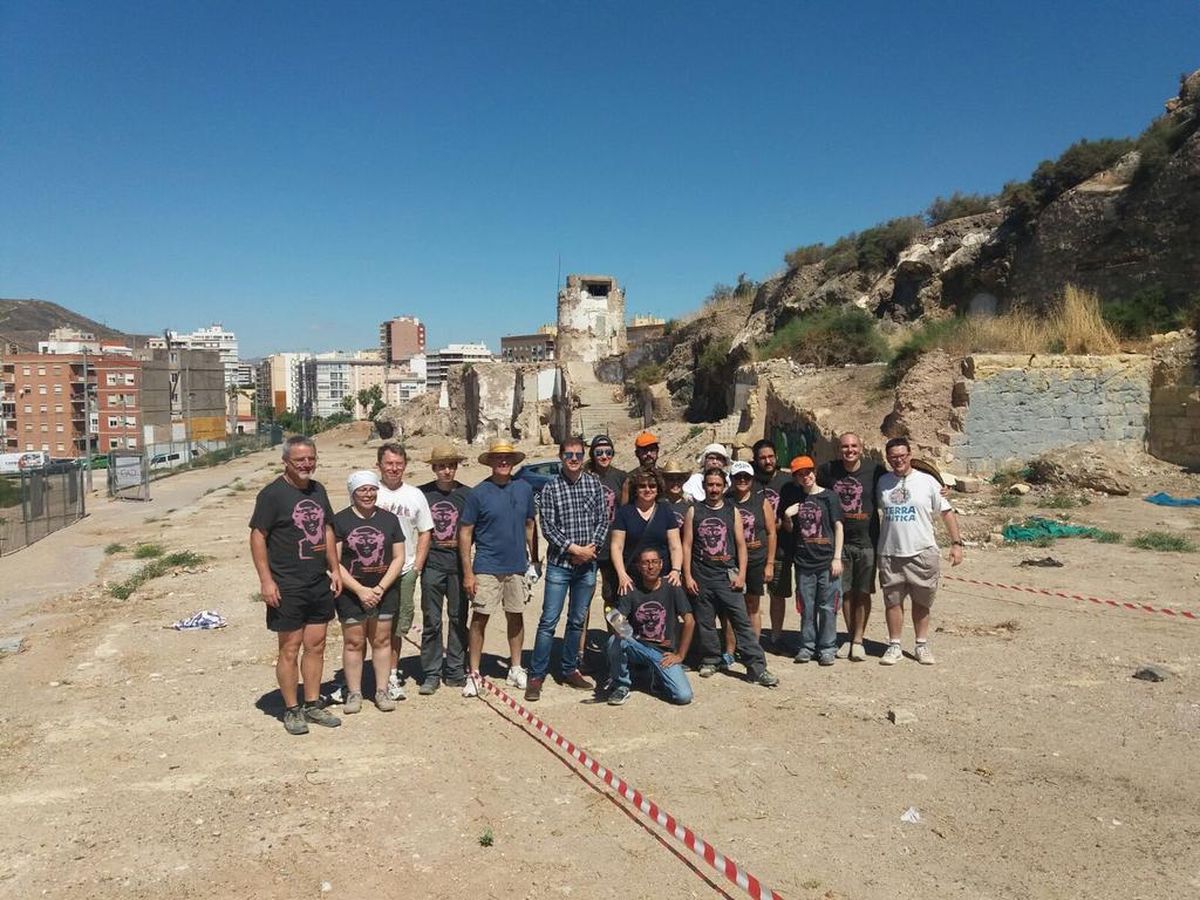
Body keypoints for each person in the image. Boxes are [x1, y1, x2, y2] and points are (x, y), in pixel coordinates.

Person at [248, 435, 343, 735]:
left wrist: (335, 568)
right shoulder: (272, 495)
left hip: (317, 581)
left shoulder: (318, 490)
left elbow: (327, 529)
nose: (306, 464)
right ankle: (292, 709)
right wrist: (266, 580)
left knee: (316, 645)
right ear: (286, 462)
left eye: (310, 458)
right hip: (287, 583)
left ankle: (312, 703)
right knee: (290, 648)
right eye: (299, 460)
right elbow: (258, 536)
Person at [527, 437, 609, 701]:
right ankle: (536, 674)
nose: (573, 459)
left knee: (577, 620)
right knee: (549, 620)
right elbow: (548, 527)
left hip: (587, 565)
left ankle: (569, 668)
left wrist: (590, 550)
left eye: (577, 455)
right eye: (568, 455)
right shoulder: (551, 488)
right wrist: (575, 550)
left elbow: (603, 520)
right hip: (561, 565)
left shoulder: (593, 484)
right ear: (560, 456)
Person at [681, 467, 779, 687]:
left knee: (741, 622)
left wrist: (742, 573)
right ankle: (711, 659)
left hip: (727, 574)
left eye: (717, 485)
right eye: (710, 485)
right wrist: (687, 575)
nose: (714, 489)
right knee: (705, 621)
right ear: (704, 486)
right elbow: (686, 546)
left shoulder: (732, 511)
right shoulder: (694, 511)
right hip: (702, 573)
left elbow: (741, 545)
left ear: (724, 486)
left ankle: (757, 667)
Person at [459, 438, 538, 696]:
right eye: (498, 458)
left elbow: (529, 525)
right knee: (480, 617)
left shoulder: (524, 489)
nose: (503, 462)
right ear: (491, 462)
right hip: (486, 565)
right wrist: (468, 572)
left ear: (513, 462)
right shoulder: (478, 493)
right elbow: (465, 533)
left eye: (507, 458)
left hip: (516, 565)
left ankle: (515, 667)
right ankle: (474, 672)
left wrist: (534, 560)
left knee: (515, 615)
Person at [876, 436, 964, 666]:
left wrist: (956, 544)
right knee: (892, 602)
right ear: (888, 458)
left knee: (922, 602)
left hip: (922, 552)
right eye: (894, 457)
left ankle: (921, 645)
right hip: (890, 552)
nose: (899, 460)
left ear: (910, 455)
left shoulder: (928, 482)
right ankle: (894, 645)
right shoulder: (882, 482)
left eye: (902, 456)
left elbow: (946, 512)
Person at [332, 470, 405, 713]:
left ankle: (382, 690)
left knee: (382, 640)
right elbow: (334, 561)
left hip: (384, 590)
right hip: (351, 592)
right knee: (354, 642)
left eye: (372, 489)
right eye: (362, 490)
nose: (368, 494)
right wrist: (361, 590)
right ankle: (354, 693)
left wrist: (380, 588)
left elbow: (398, 557)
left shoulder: (389, 520)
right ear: (352, 493)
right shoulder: (340, 521)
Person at [817, 432, 885, 662]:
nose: (850, 450)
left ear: (861, 447)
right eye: (845, 446)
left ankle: (858, 640)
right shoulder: (828, 471)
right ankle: (848, 635)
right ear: (839, 449)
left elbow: (900, 481)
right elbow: (813, 492)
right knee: (845, 590)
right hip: (839, 542)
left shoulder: (875, 471)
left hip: (867, 540)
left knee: (863, 591)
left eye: (854, 446)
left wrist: (939, 487)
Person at [375, 442, 434, 701]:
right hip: (373, 570)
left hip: (405, 570)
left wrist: (417, 566)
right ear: (379, 465)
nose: (394, 468)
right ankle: (370, 674)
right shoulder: (370, 491)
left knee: (397, 626)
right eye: (389, 463)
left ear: (405, 466)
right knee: (372, 626)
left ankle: (393, 672)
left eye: (399, 464)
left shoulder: (415, 495)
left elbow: (425, 531)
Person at [606, 546, 696, 706]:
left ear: (661, 564)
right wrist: (619, 628)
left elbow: (689, 621)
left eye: (654, 562)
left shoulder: (672, 586)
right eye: (646, 563)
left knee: (683, 696)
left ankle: (655, 674)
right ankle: (621, 685)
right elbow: (615, 617)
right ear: (639, 567)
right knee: (614, 641)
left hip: (663, 653)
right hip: (638, 646)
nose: (650, 566)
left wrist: (680, 655)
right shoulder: (630, 589)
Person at [417, 444, 472, 694]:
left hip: (458, 566)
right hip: (432, 565)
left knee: (459, 618)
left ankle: (456, 668)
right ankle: (431, 672)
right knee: (431, 620)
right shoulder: (422, 494)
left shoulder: (467, 495)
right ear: (434, 468)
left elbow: (476, 530)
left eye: (450, 466)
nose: (446, 471)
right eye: (441, 466)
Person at [780, 455, 843, 666]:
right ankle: (807, 646)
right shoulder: (794, 498)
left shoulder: (829, 497)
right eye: (800, 474)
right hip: (804, 562)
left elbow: (838, 527)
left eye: (807, 472)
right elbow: (789, 530)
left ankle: (827, 647)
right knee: (806, 607)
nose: (805, 477)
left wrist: (837, 557)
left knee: (827, 607)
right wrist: (788, 517)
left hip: (826, 560)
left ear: (814, 472)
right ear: (796, 478)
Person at [725, 461, 777, 653]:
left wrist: (769, 563)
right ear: (731, 479)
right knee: (732, 605)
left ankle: (752, 646)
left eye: (746, 477)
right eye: (738, 477)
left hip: (756, 559)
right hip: (733, 561)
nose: (742, 480)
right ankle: (731, 648)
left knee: (753, 604)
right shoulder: (726, 501)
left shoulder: (761, 501)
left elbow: (771, 532)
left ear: (752, 479)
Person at [583, 434, 627, 654]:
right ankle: (579, 651)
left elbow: (626, 511)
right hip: (588, 547)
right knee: (583, 600)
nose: (604, 456)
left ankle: (619, 644)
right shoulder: (583, 476)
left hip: (612, 547)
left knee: (613, 599)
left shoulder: (621, 477)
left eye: (608, 452)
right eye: (599, 452)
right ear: (592, 454)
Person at [610, 469, 683, 594]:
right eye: (642, 486)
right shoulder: (624, 513)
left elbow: (675, 546)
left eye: (652, 486)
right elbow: (617, 546)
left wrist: (676, 571)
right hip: (632, 577)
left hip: (662, 576)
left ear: (658, 488)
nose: (647, 490)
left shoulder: (666, 511)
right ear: (636, 489)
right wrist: (621, 574)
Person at [752, 439, 793, 648]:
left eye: (770, 457)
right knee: (753, 597)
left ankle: (776, 636)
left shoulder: (787, 481)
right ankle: (753, 639)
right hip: (755, 549)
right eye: (762, 458)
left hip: (781, 549)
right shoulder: (750, 481)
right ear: (755, 460)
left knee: (778, 595)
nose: (767, 461)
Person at [620, 431, 663, 504]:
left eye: (652, 449)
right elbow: (624, 508)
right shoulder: (630, 479)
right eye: (644, 450)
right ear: (637, 453)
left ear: (657, 451)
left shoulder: (666, 476)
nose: (648, 454)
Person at [660, 459, 693, 531]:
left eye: (679, 479)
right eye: (671, 479)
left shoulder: (689, 504)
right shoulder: (658, 503)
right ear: (665, 481)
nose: (675, 483)